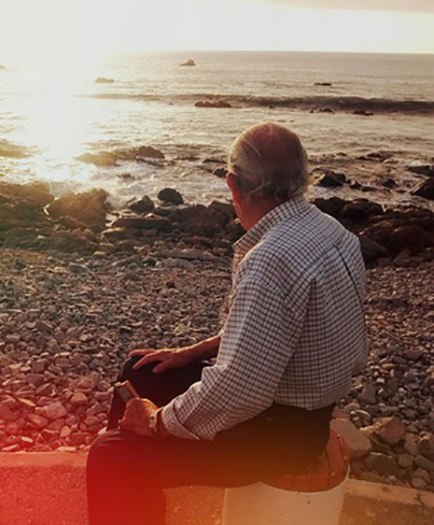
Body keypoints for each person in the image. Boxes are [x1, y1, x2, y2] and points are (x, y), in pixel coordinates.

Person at [86, 123, 368, 525]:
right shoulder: (332, 232)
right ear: (302, 177)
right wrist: (192, 353)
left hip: (281, 435)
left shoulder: (270, 259)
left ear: (233, 185)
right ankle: (137, 503)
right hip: (298, 409)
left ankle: (130, 478)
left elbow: (241, 390)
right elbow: (279, 331)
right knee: (140, 371)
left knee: (110, 457)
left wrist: (155, 422)